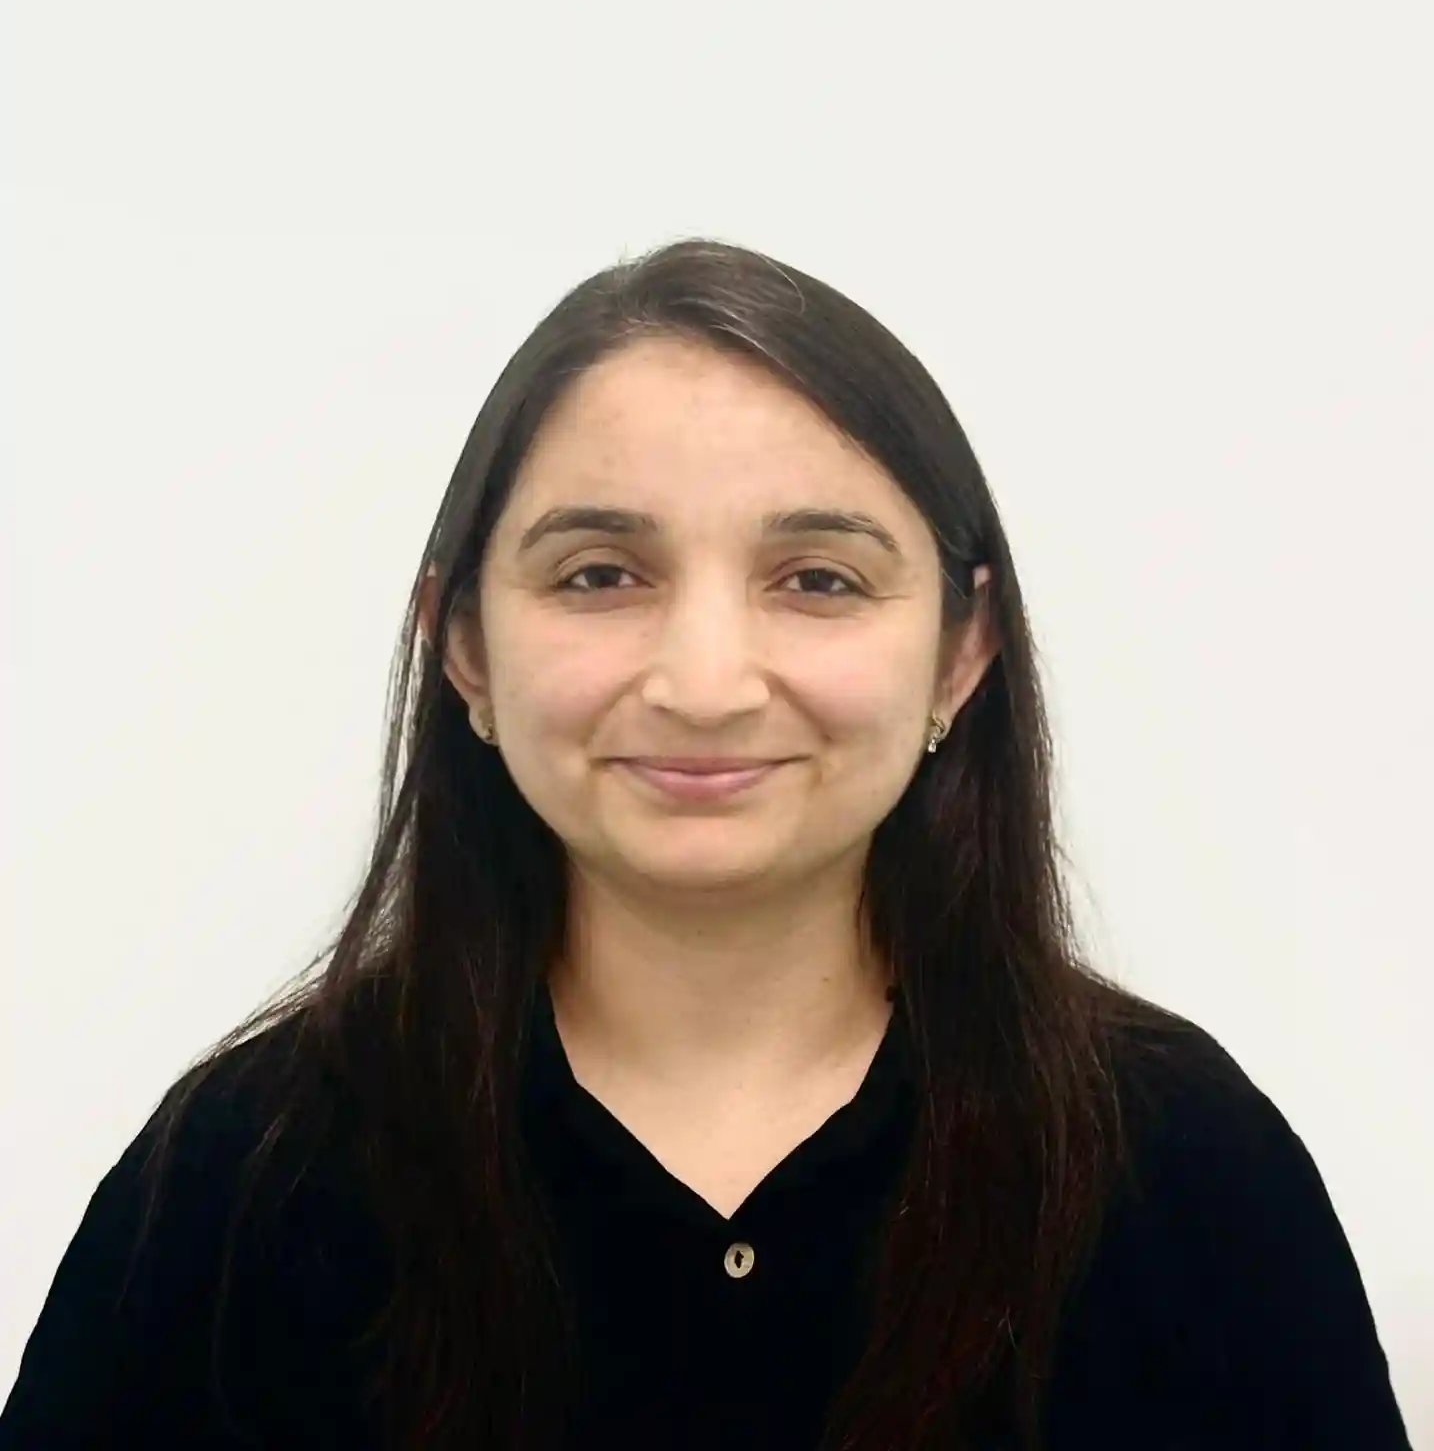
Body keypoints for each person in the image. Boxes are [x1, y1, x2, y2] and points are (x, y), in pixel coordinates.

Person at [0, 239, 1411, 1451]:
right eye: (601, 575)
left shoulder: (1182, 1169)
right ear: (464, 647)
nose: (704, 678)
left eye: (816, 579)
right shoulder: (238, 1187)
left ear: (960, 651)